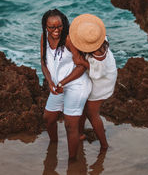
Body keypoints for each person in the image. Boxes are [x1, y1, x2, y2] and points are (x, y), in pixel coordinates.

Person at [59, 13, 118, 151]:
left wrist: (82, 63)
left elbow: (98, 74)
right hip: (106, 72)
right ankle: (79, 133)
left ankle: (104, 145)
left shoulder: (98, 56)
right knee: (84, 107)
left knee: (92, 113)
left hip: (102, 81)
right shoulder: (98, 38)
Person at [41, 9, 92, 160]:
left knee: (70, 125)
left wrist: (63, 82)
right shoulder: (44, 38)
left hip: (76, 84)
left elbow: (82, 66)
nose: (56, 30)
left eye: (59, 26)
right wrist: (50, 82)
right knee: (48, 118)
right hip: (57, 86)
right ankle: (53, 146)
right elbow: (43, 61)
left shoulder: (69, 39)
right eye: (52, 27)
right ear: (45, 26)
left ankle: (72, 162)